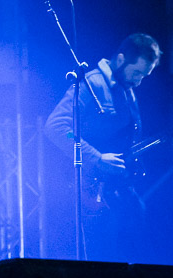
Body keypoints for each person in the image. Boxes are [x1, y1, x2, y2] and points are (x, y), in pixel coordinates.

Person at [43, 33, 162, 262]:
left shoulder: (127, 90)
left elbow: (129, 144)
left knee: (139, 251)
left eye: (143, 76)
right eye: (136, 73)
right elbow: (56, 126)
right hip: (91, 193)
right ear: (121, 59)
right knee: (105, 258)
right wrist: (96, 157)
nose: (138, 81)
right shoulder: (93, 84)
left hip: (118, 189)